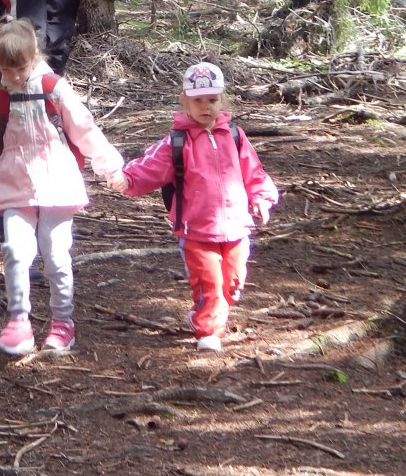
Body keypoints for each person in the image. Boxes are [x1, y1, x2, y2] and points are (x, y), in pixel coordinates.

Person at [0, 19, 124, 355]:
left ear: (34, 57)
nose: (15, 77)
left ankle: (62, 322)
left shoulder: (54, 88)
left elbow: (84, 130)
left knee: (55, 254)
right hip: (14, 185)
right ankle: (18, 322)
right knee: (15, 251)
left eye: (21, 68)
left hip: (57, 184)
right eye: (7, 70)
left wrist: (111, 167)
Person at [107, 62, 279, 352]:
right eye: (198, 100)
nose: (205, 107)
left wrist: (262, 197)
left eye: (212, 100)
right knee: (209, 283)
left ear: (222, 100)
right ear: (184, 101)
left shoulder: (234, 136)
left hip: (237, 225)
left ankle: (211, 310)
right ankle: (208, 330)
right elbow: (151, 167)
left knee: (232, 283)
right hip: (195, 229)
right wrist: (127, 178)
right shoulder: (177, 141)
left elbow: (253, 170)